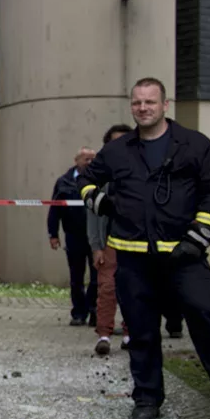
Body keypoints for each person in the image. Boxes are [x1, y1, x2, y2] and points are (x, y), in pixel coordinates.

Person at [81, 78, 210, 419]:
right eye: (137, 102)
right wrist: (100, 201)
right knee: (141, 330)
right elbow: (84, 180)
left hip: (184, 255)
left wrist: (198, 235)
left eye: (150, 102)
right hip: (133, 258)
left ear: (165, 105)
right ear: (132, 106)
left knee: (205, 316)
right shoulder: (117, 150)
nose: (143, 108)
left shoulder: (195, 145)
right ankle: (146, 398)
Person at [89, 124, 132, 355]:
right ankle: (104, 335)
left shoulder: (142, 172)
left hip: (137, 242)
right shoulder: (100, 176)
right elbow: (93, 215)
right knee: (107, 288)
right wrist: (96, 246)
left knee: (134, 290)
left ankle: (129, 333)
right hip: (110, 243)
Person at [49, 146, 98, 326]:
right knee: (76, 277)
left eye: (93, 159)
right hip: (74, 236)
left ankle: (94, 310)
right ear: (76, 161)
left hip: (96, 237)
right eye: (86, 159)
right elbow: (55, 209)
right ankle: (78, 312)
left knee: (97, 277)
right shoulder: (64, 182)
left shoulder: (100, 180)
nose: (90, 163)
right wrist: (53, 234)